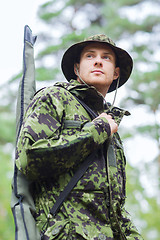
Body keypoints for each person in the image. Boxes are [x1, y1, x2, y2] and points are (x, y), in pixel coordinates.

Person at [15, 34, 143, 240]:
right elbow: (29, 158)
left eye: (107, 57)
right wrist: (98, 130)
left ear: (116, 73)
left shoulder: (112, 128)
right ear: (77, 69)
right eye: (90, 56)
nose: (98, 61)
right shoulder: (55, 97)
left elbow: (116, 207)